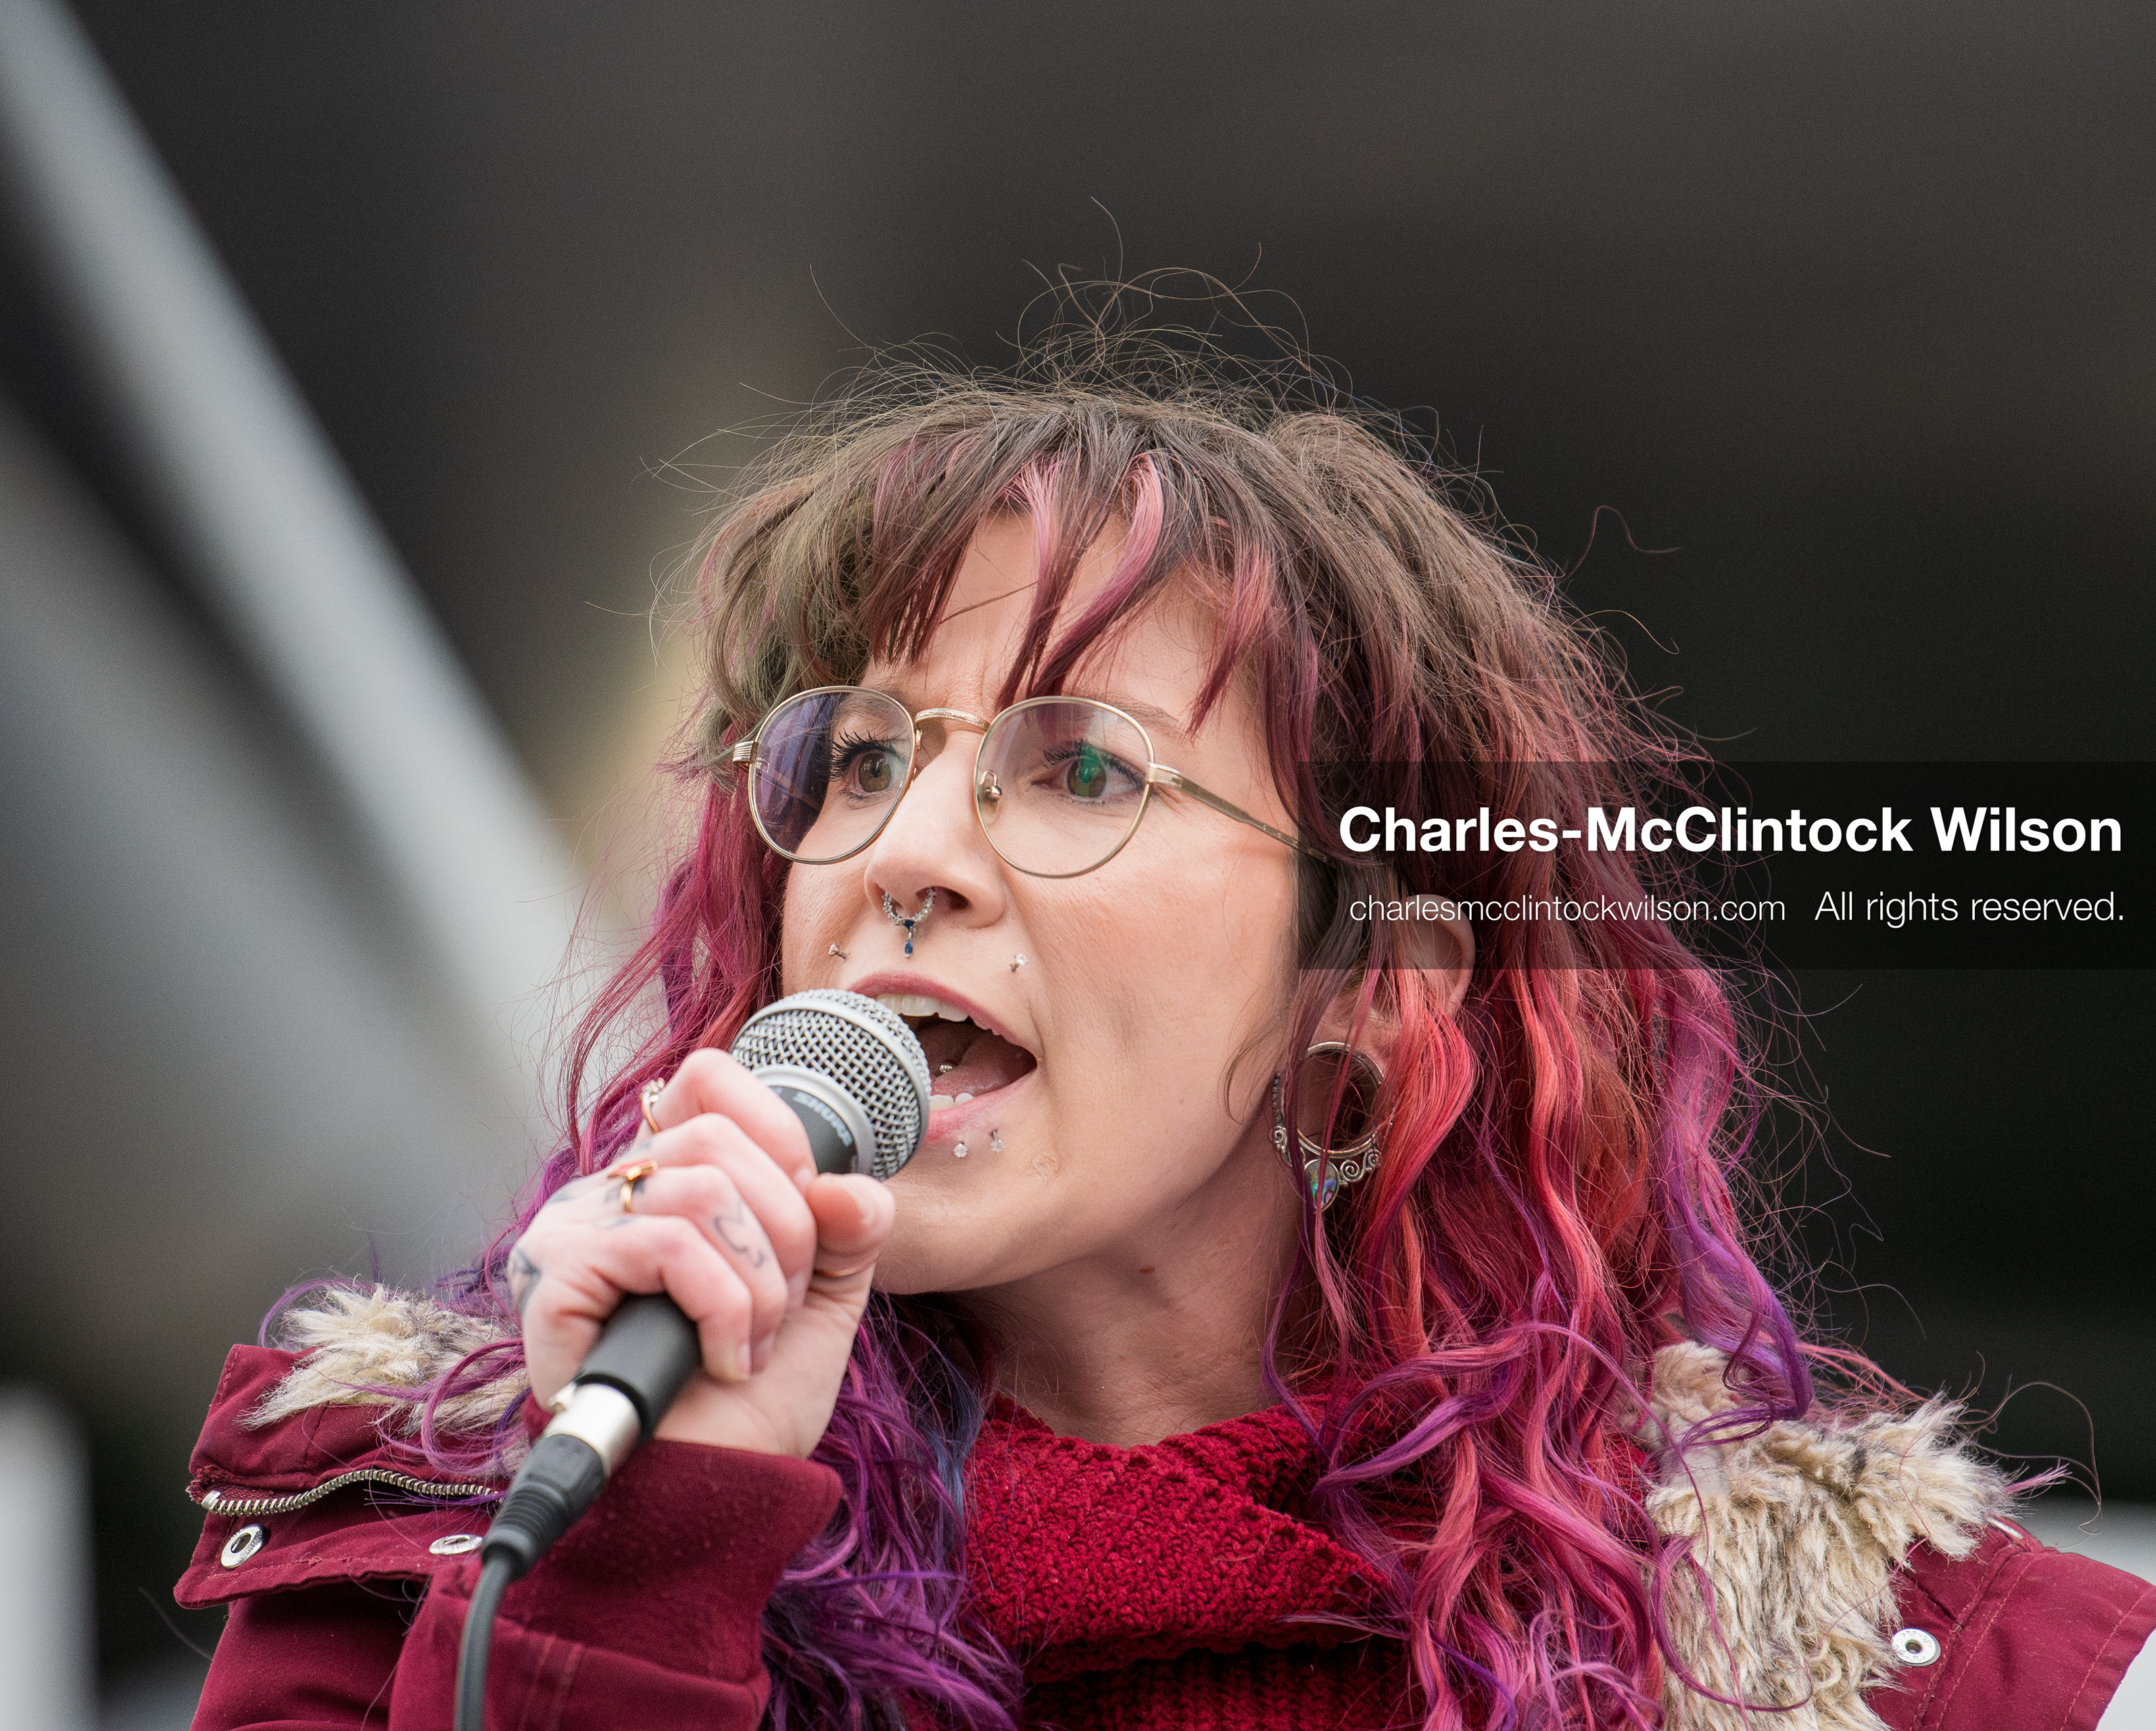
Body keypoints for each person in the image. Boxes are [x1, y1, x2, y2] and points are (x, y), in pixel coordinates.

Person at [174, 331, 2154, 1730]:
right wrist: (643, 1558)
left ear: (1371, 992)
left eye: (1080, 771)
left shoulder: (1893, 1680)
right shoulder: (452, 1555)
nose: (904, 854)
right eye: (856, 757)